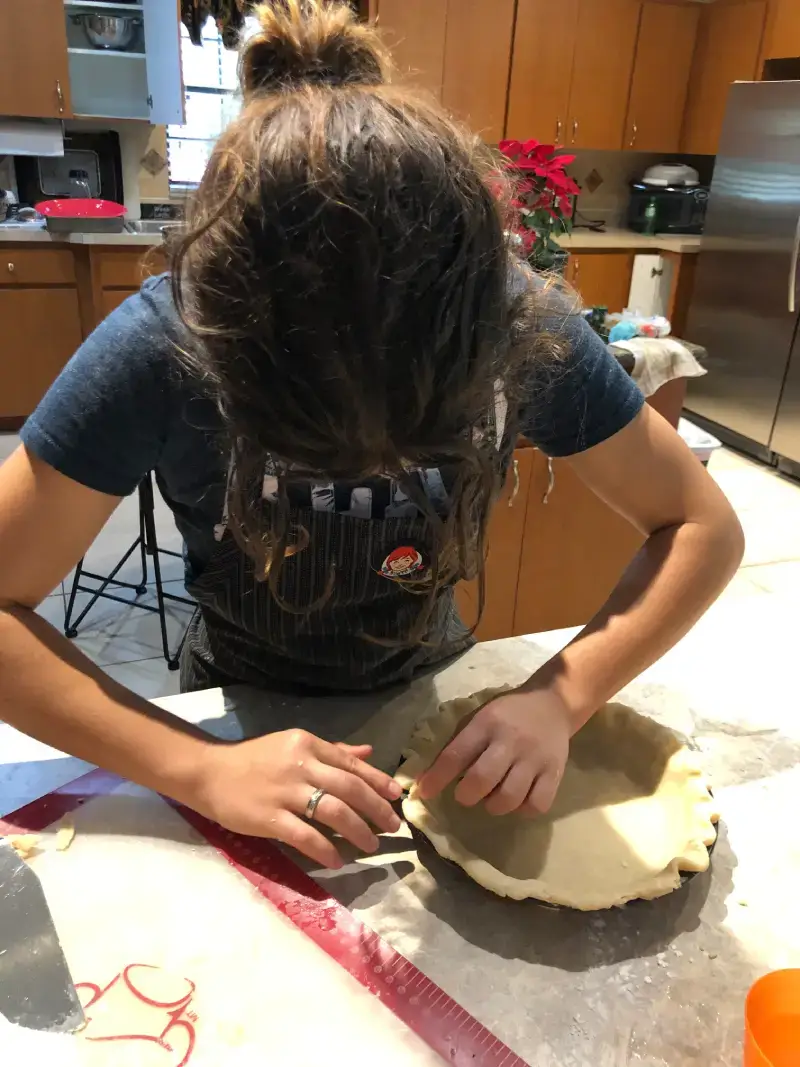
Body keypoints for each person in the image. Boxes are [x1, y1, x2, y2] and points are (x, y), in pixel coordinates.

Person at [0, 0, 743, 870]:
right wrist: (195, 766)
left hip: (437, 686)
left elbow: (705, 528)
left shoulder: (512, 318)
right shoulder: (168, 339)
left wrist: (560, 696)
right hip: (239, 701)